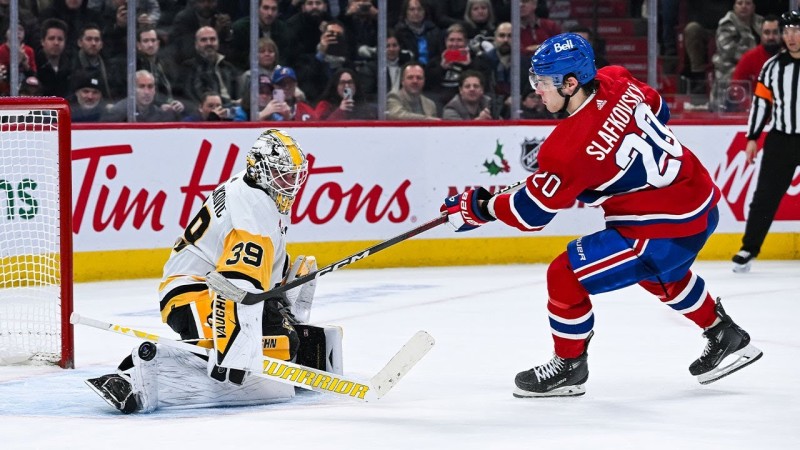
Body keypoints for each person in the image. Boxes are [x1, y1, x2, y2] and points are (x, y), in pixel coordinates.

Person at [442, 33, 763, 397]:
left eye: (543, 82)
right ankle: (724, 333)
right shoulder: (617, 79)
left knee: (564, 275)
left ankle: (568, 366)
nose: (537, 90)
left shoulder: (567, 148)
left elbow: (531, 214)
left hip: (658, 229)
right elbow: (658, 111)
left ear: (571, 83)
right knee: (661, 275)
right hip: (701, 204)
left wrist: (480, 207)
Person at [85, 129, 341, 413]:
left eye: (294, 174)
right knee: (277, 344)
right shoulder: (253, 212)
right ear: (261, 170)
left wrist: (279, 298)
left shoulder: (259, 190)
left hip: (210, 287)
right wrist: (236, 355)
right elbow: (236, 285)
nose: (291, 182)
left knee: (286, 320)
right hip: (191, 295)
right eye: (283, 174)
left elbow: (254, 270)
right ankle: (139, 371)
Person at [732, 10, 800, 273]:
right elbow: (761, 105)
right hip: (780, 140)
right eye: (787, 31)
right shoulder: (772, 66)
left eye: (795, 30)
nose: (791, 36)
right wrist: (752, 138)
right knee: (764, 198)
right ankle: (749, 247)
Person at [711, 0, 764, 110]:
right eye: (740, 3)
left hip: (759, 65)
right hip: (730, 66)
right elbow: (729, 50)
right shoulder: (726, 23)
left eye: (748, 3)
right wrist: (753, 60)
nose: (744, 7)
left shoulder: (761, 22)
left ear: (753, 7)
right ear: (734, 7)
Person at [730, 15, 781, 111]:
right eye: (767, 33)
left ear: (781, 34)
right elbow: (736, 87)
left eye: (775, 32)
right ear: (761, 35)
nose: (771, 37)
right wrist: (753, 106)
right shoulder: (749, 58)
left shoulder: (791, 57)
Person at [103, 70, 181, 122]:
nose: (147, 92)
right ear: (132, 90)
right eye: (141, 86)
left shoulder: (160, 113)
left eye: (150, 87)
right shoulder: (119, 112)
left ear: (154, 90)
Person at [35, 18, 72, 98]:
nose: (56, 43)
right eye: (51, 38)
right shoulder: (35, 64)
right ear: (42, 41)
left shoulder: (70, 66)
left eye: (60, 39)